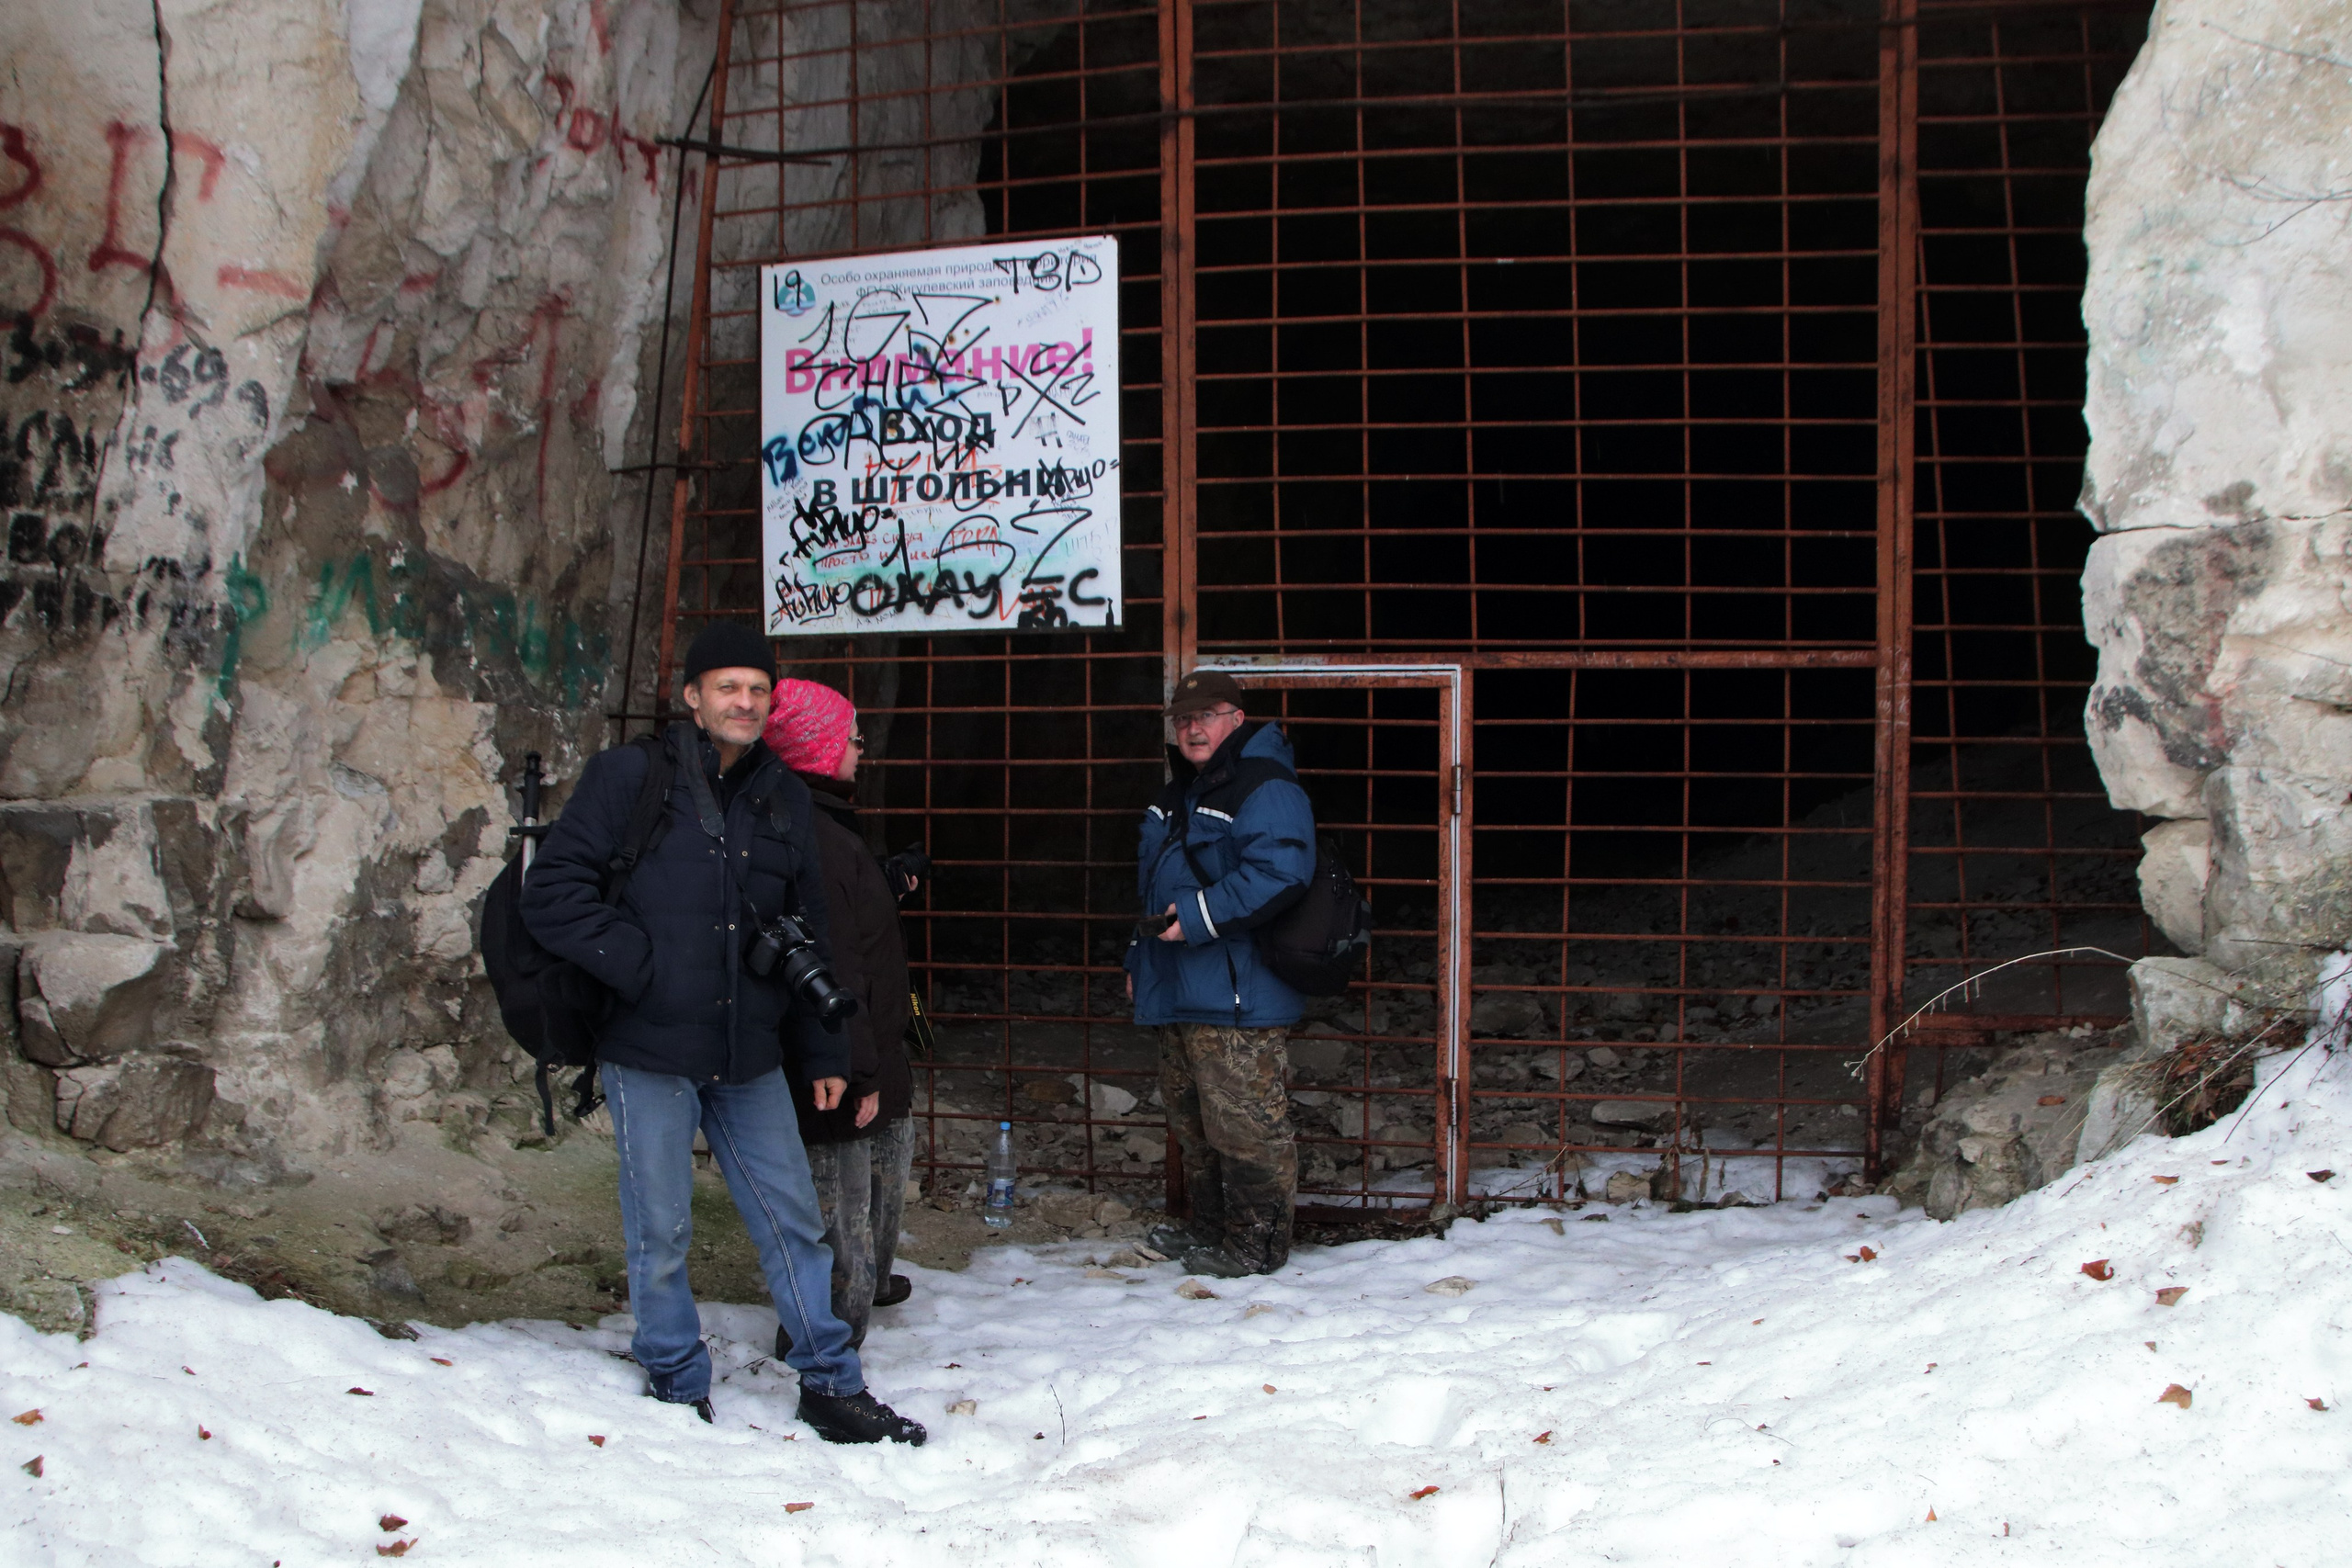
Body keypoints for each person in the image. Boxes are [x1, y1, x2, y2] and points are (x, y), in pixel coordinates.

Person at [518, 622, 925, 1446]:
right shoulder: (629, 777)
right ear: (693, 696)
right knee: (661, 1225)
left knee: (794, 1221)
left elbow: (810, 930)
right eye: (727, 686)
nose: (744, 700)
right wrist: (643, 967)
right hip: (649, 1047)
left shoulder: (782, 796)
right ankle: (675, 1375)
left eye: (757, 688)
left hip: (749, 1052)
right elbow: (553, 892)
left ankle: (830, 1381)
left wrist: (826, 1049)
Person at [1126, 670, 1317, 1279]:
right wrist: (1137, 962)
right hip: (1178, 986)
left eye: (1206, 715)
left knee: (1246, 1126)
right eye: (1184, 718)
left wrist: (1198, 917)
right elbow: (1153, 889)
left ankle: (1256, 1248)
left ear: (1236, 718)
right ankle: (1209, 1229)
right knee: (1194, 1123)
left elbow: (1282, 872)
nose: (1192, 727)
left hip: (1238, 992)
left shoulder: (1264, 785)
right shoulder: (1179, 792)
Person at [762, 678, 919, 1354]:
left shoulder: (823, 823)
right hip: (842, 1050)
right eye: (852, 738)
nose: (861, 749)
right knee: (839, 1202)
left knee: (877, 1174)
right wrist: (857, 1068)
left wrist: (886, 879)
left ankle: (861, 1292)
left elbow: (847, 919)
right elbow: (833, 959)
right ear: (818, 746)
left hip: (869, 1041)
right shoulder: (815, 834)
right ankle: (823, 1340)